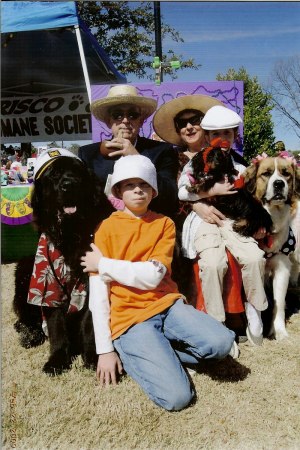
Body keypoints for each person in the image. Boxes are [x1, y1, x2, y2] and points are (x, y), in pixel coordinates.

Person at [80, 154, 238, 411]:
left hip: (167, 306)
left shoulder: (163, 224)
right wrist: (104, 350)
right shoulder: (105, 229)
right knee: (177, 398)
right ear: (118, 190)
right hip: (130, 320)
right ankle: (136, 352)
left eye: (144, 185)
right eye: (129, 185)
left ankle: (162, 350)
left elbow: (153, 276)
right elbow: (99, 294)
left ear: (153, 191)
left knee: (222, 343)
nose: (138, 190)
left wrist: (105, 265)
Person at [176, 105, 268, 345]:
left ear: (235, 136)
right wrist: (211, 190)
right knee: (213, 263)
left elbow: (250, 195)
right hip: (206, 219)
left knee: (254, 257)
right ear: (207, 136)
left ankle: (255, 309)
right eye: (216, 134)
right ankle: (216, 324)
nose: (222, 139)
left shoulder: (239, 166)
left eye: (228, 133)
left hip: (232, 219)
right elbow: (183, 190)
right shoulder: (197, 161)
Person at [79, 85, 179, 218]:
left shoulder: (161, 151)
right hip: (104, 227)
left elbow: (170, 197)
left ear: (141, 121)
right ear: (109, 122)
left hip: (148, 226)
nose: (125, 120)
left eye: (133, 115)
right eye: (118, 115)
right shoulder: (89, 154)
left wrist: (137, 158)